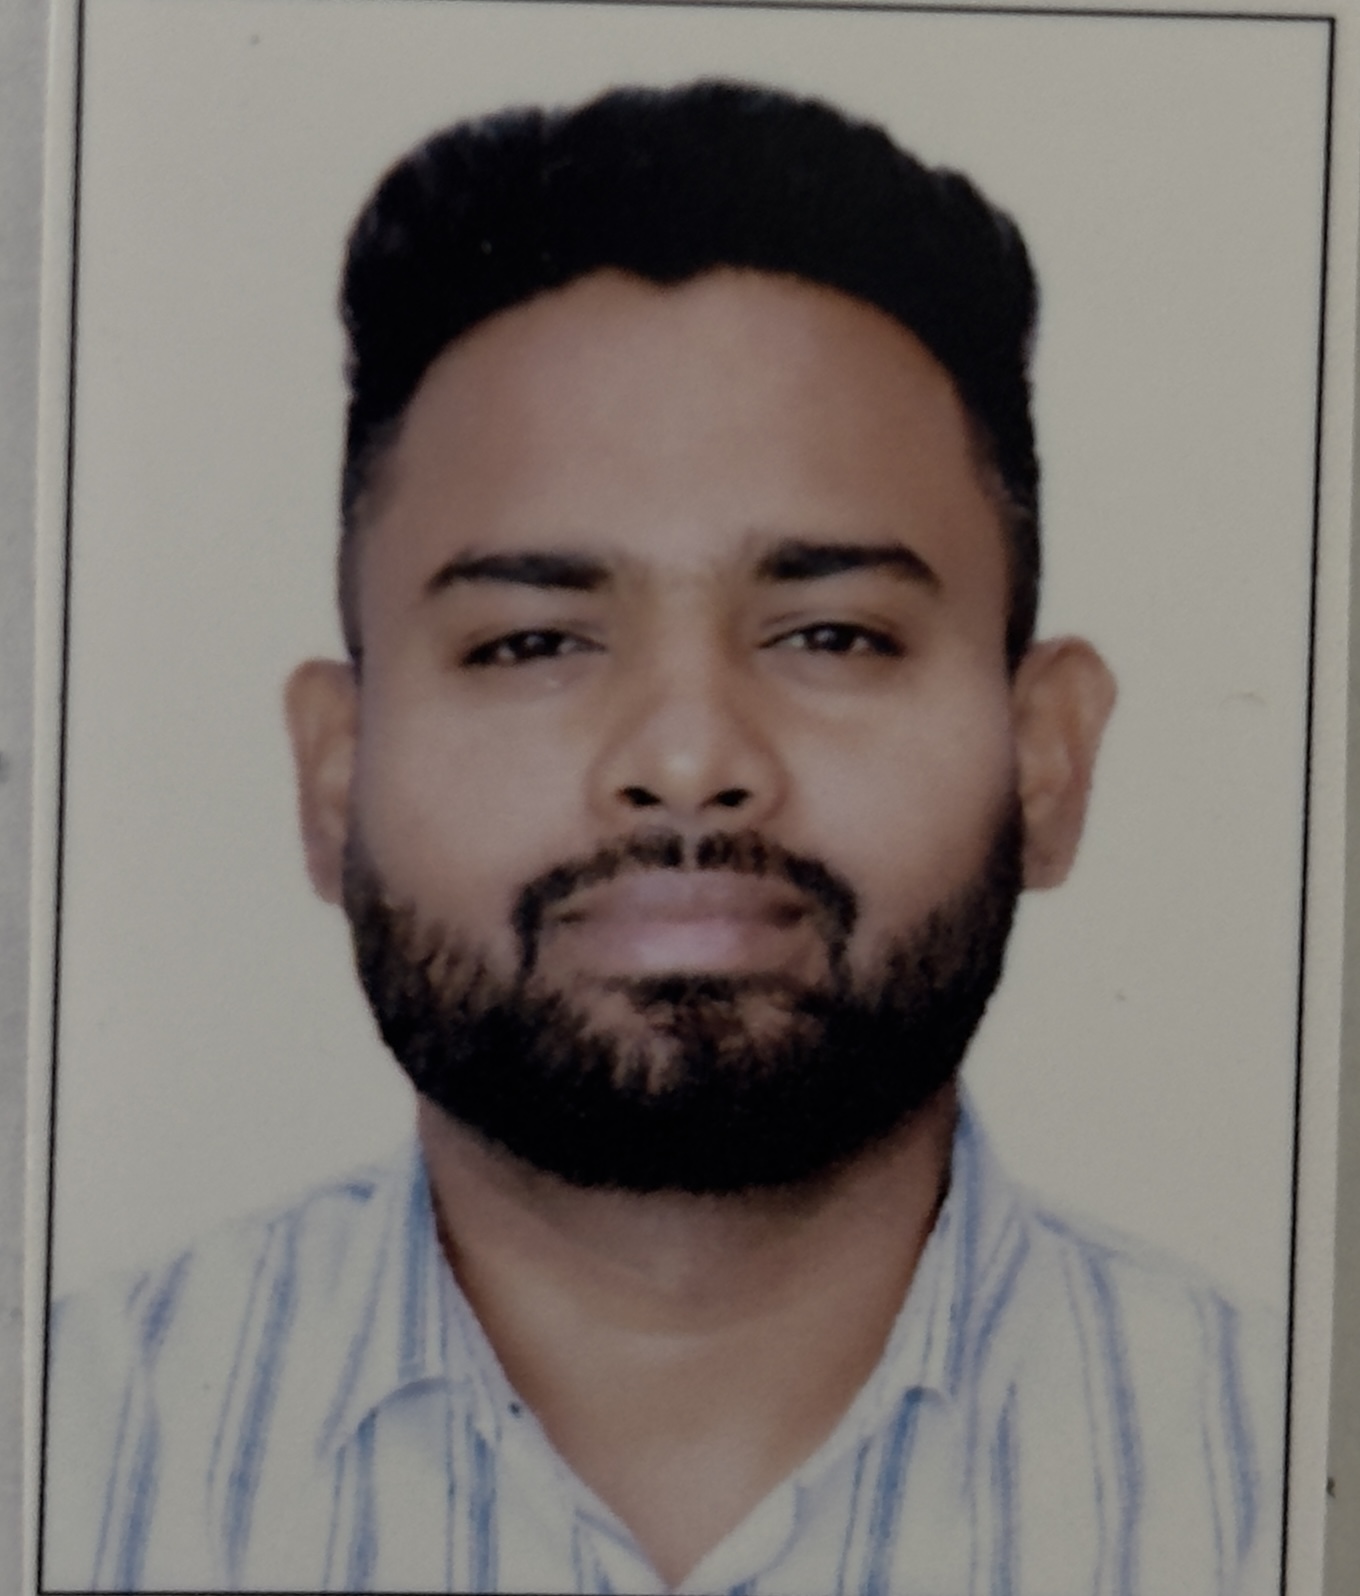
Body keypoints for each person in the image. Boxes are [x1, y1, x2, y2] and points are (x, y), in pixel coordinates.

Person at [46, 79, 1281, 1594]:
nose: (689, 759)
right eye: (531, 643)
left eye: (831, 634)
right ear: (333, 776)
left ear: (1047, 758)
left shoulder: (1279, 1476)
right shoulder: (62, 1462)